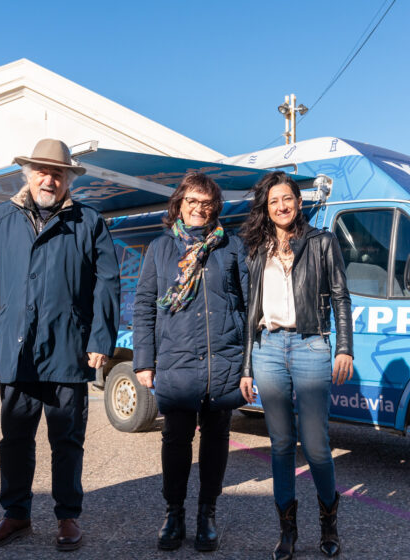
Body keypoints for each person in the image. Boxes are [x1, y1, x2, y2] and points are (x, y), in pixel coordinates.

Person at [0, 139, 120, 552]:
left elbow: (107, 283)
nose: (49, 178)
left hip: (68, 349)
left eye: (57, 172)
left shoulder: (87, 220)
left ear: (68, 179)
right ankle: (15, 514)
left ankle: (67, 517)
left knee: (67, 439)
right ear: (28, 174)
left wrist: (99, 338)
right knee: (15, 437)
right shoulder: (0, 218)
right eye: (41, 170)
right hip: (15, 350)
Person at [239, 171, 354, 560]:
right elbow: (250, 309)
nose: (281, 206)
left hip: (311, 346)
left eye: (287, 199)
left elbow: (341, 296)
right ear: (266, 208)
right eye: (273, 201)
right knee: (281, 445)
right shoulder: (256, 248)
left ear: (299, 202)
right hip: (267, 347)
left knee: (318, 446)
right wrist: (246, 367)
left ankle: (328, 521)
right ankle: (287, 531)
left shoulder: (322, 242)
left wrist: (344, 348)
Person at [133, 172, 248, 552]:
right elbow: (145, 306)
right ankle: (174, 513)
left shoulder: (232, 247)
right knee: (176, 440)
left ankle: (207, 514)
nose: (200, 208)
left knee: (216, 439)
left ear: (216, 207)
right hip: (176, 361)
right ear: (179, 204)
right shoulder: (160, 249)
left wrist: (248, 363)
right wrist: (144, 362)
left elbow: (248, 307)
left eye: (207, 203)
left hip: (224, 361)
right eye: (192, 201)